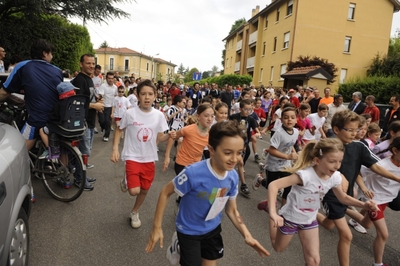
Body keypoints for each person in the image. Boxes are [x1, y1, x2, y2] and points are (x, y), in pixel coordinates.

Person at [145, 120, 270, 266]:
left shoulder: (233, 176)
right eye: (228, 153)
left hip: (212, 229)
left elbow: (232, 209)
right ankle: (179, 244)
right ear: (211, 149)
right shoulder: (193, 173)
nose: (234, 159)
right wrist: (157, 227)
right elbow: (165, 192)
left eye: (239, 153)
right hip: (188, 231)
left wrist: (247, 235)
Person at [261, 138, 378, 266]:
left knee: (314, 261)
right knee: (278, 247)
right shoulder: (305, 175)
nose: (337, 166)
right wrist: (273, 213)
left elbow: (343, 198)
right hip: (290, 218)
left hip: (310, 220)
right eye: (332, 161)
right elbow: (273, 185)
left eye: (340, 161)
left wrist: (363, 205)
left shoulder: (335, 177)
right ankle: (268, 207)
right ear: (317, 161)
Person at [316, 109, 400, 266]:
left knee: (328, 224)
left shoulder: (359, 147)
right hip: (330, 194)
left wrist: (396, 178)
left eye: (358, 130)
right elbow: (313, 167)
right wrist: (336, 175)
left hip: (346, 195)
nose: (355, 133)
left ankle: (308, 212)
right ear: (336, 130)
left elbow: (375, 166)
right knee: (347, 236)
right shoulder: (326, 146)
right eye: (350, 130)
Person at [110, 79, 175, 229]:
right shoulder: (130, 113)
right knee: (134, 191)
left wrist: (169, 135)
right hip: (132, 156)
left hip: (149, 158)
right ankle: (127, 180)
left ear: (155, 96)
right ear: (137, 96)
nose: (147, 97)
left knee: (144, 190)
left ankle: (134, 212)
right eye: (143, 94)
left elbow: (160, 138)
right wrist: (115, 149)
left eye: (150, 94)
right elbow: (120, 129)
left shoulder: (159, 115)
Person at [0, 39, 63, 151]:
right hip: (56, 117)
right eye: (51, 53)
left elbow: (5, 92)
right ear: (44, 53)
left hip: (38, 117)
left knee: (18, 151)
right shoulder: (57, 70)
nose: (52, 57)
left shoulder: (22, 66)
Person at [346, 137, 400, 266]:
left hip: (387, 199)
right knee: (383, 234)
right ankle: (378, 264)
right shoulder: (382, 165)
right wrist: (364, 188)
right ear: (395, 150)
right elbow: (358, 172)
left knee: (366, 224)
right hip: (374, 201)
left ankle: (342, 209)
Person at [253, 106, 299, 206]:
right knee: (271, 186)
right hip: (273, 164)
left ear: (296, 119)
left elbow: (290, 145)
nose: (289, 120)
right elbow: (271, 150)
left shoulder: (296, 132)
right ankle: (261, 180)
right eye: (286, 117)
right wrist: (287, 157)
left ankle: (283, 211)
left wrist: (294, 154)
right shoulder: (279, 133)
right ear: (281, 120)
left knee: (288, 186)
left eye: (292, 117)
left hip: (286, 165)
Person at [72, 54, 105, 190]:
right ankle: (79, 180)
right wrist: (94, 106)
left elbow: (88, 99)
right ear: (81, 64)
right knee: (83, 153)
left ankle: (83, 176)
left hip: (90, 122)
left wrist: (96, 101)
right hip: (82, 123)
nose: (91, 66)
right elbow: (76, 103)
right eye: (88, 63)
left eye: (93, 63)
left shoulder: (89, 80)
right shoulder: (79, 80)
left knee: (86, 153)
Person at [230, 99, 263, 198]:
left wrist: (258, 133)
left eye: (250, 109)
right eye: (246, 109)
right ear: (240, 109)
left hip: (243, 144)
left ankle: (243, 185)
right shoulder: (234, 117)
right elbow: (228, 128)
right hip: (233, 143)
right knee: (234, 162)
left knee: (241, 162)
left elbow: (256, 129)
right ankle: (228, 180)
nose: (248, 111)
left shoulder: (251, 119)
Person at [98, 72, 117, 142]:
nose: (110, 80)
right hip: (103, 106)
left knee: (108, 122)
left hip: (110, 107)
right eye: (109, 78)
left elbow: (115, 97)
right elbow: (101, 96)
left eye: (112, 78)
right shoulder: (103, 86)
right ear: (106, 79)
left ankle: (106, 136)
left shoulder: (115, 87)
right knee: (101, 121)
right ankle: (102, 127)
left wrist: (114, 108)